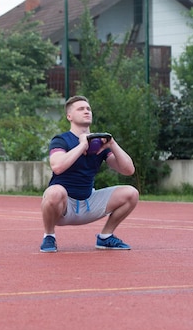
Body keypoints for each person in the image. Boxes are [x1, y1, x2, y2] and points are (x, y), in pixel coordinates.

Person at [40, 95, 139, 253]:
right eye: (81, 109)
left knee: (131, 193)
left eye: (88, 109)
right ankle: (49, 236)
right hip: (64, 208)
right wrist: (82, 146)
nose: (86, 111)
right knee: (54, 192)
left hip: (89, 203)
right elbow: (57, 166)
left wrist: (112, 144)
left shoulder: (100, 143)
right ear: (69, 116)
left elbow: (128, 170)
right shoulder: (61, 140)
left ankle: (105, 237)